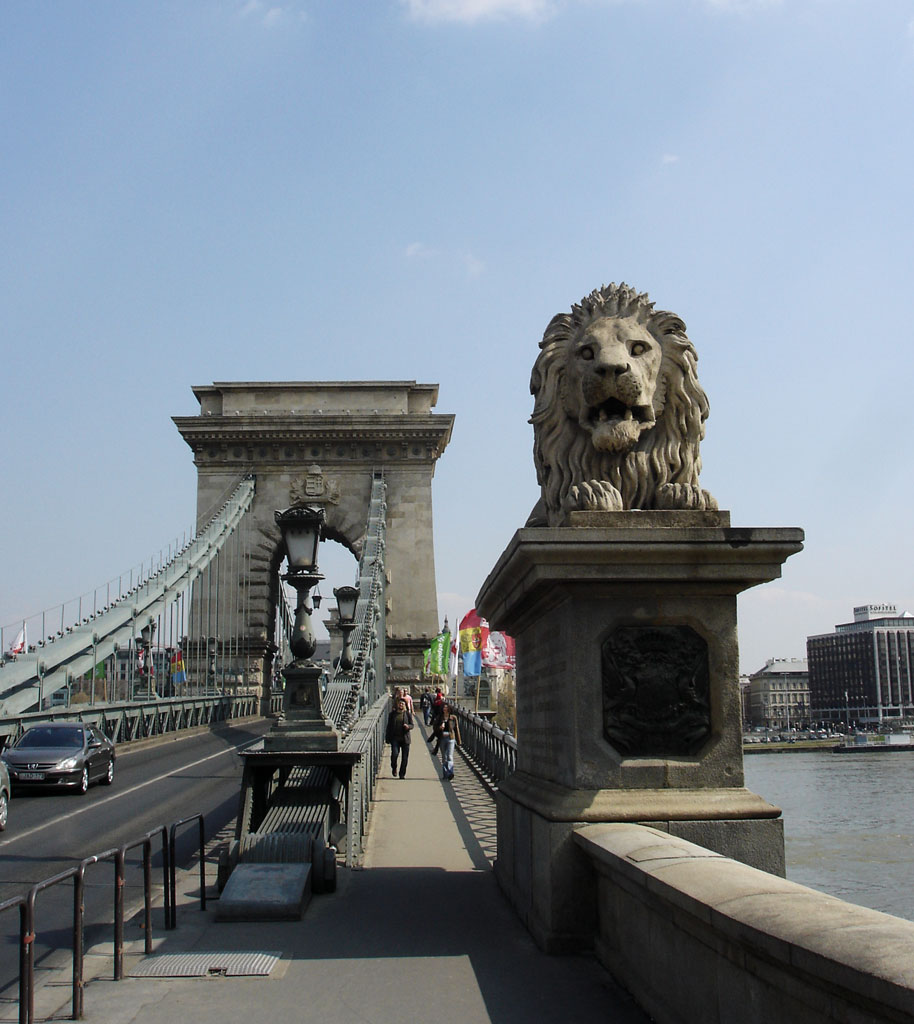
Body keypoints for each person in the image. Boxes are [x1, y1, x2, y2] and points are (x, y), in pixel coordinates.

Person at [385, 696, 413, 779]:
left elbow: (412, 725)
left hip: (405, 739)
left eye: (403, 704)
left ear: (405, 705)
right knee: (394, 754)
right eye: (400, 703)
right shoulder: (392, 714)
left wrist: (408, 726)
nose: (401, 705)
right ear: (397, 704)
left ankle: (402, 774)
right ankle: (394, 767)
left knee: (405, 758)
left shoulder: (407, 714)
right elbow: (389, 727)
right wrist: (387, 738)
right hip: (395, 738)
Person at [438, 703, 461, 781]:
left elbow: (456, 729)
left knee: (450, 756)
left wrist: (459, 740)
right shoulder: (440, 717)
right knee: (444, 757)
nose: (445, 709)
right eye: (444, 707)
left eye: (446, 708)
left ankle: (450, 772)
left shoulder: (453, 718)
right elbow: (435, 727)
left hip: (451, 738)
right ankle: (445, 773)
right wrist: (440, 728)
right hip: (442, 738)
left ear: (449, 709)